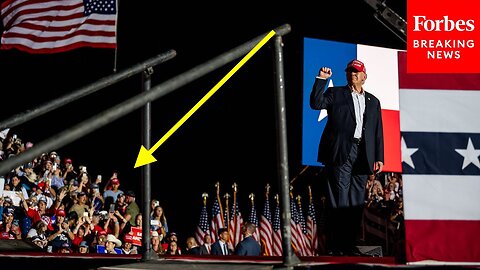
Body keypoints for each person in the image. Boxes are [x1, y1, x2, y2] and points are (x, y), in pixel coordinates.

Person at [310, 59, 384, 256]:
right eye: (350, 71)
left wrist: (379, 157)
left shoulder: (373, 101)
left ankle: (349, 245)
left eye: (357, 71)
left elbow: (378, 132)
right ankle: (337, 245)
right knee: (340, 199)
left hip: (363, 154)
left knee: (356, 202)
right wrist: (321, 80)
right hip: (340, 152)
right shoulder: (336, 93)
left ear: (364, 76)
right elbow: (316, 103)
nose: (353, 74)